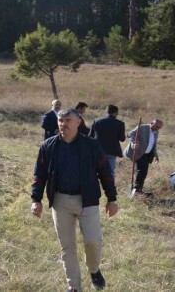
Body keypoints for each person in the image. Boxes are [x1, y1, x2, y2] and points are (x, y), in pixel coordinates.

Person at [31, 108, 118, 292]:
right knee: (67, 247)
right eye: (61, 120)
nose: (63, 124)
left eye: (68, 120)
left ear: (79, 122)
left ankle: (94, 270)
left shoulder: (92, 145)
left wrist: (112, 198)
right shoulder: (48, 146)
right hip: (60, 201)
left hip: (87, 200)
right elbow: (40, 175)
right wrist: (36, 199)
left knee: (93, 241)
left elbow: (105, 173)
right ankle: (74, 286)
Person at [125, 119, 164, 194]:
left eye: (159, 127)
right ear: (151, 123)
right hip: (139, 153)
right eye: (156, 126)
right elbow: (130, 134)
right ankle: (136, 190)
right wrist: (134, 143)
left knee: (143, 172)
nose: (157, 128)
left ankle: (138, 189)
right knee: (141, 171)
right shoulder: (143, 127)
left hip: (147, 155)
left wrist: (156, 155)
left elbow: (153, 144)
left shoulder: (156, 132)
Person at [88, 105, 126, 177]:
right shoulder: (120, 124)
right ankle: (110, 184)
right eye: (117, 113)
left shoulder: (96, 121)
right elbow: (122, 139)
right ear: (115, 113)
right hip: (112, 151)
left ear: (107, 111)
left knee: (95, 171)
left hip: (98, 150)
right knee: (110, 172)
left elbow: (90, 136)